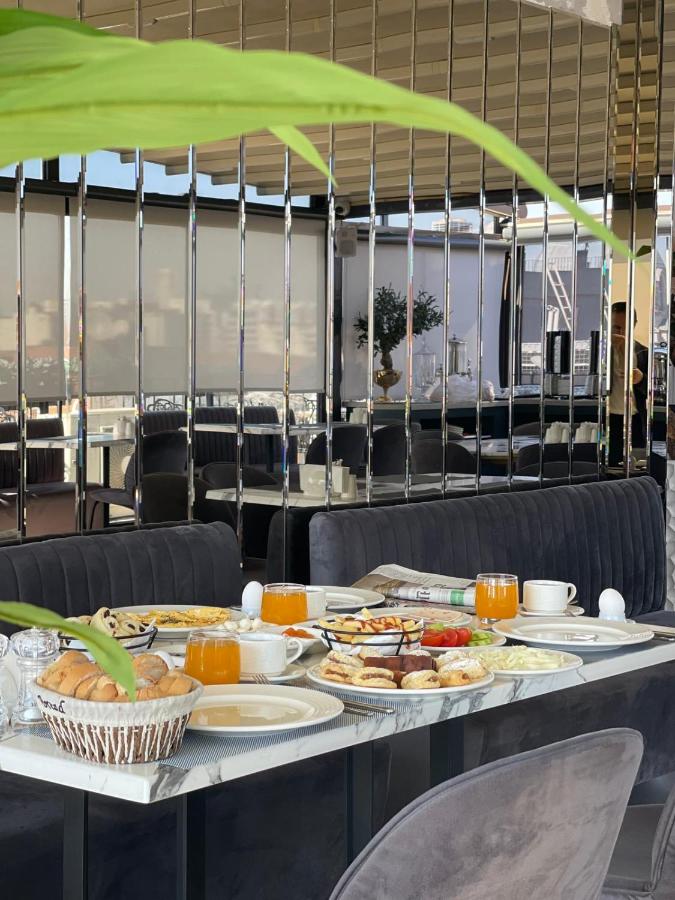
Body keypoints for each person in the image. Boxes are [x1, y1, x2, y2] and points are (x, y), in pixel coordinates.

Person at [608, 301, 648, 465]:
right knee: (607, 463)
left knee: (636, 464)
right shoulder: (599, 351)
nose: (621, 333)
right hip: (607, 418)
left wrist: (641, 379)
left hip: (635, 419)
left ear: (634, 325)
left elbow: (657, 389)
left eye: (626, 328)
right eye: (616, 327)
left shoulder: (643, 352)